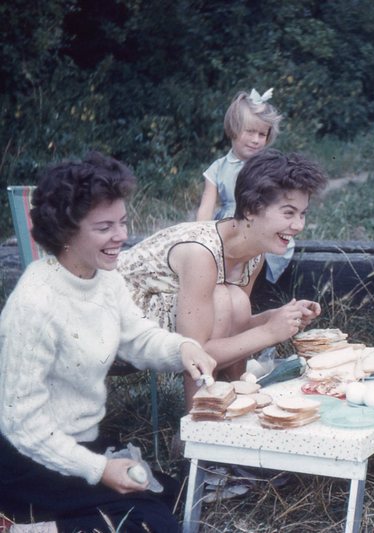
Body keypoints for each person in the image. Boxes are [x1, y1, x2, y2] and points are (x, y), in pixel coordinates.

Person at [0, 152, 217, 532]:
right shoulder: (35, 303)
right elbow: (20, 423)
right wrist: (99, 469)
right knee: (153, 525)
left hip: (82, 442)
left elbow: (136, 337)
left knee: (180, 496)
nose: (121, 236)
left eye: (122, 222)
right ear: (66, 232)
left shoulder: (105, 279)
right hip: (28, 458)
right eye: (104, 227)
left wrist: (182, 348)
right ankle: (26, 526)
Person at [118, 148, 327, 407]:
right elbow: (197, 352)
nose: (298, 225)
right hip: (115, 319)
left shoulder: (254, 253)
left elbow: (234, 326)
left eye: (302, 213)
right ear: (250, 209)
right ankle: (197, 419)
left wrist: (278, 317)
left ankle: (233, 403)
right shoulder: (201, 253)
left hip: (167, 323)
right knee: (222, 297)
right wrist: (270, 332)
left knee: (235, 300)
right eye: (288, 213)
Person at [196, 88, 292, 284]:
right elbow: (206, 206)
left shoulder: (269, 167)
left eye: (262, 134)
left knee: (253, 247)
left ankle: (244, 290)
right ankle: (226, 287)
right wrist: (200, 235)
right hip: (229, 225)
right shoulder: (218, 168)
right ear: (234, 129)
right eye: (250, 132)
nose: (256, 140)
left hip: (260, 223)